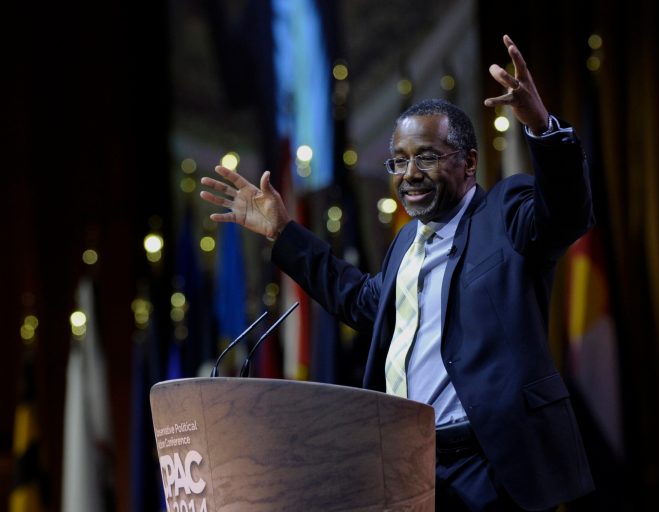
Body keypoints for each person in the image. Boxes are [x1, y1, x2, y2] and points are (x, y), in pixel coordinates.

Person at [200, 34, 595, 512]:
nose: (409, 174)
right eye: (399, 161)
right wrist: (283, 233)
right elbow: (361, 301)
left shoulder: (506, 213)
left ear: (469, 162)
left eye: (426, 157)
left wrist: (542, 127)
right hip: (410, 462)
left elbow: (566, 213)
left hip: (493, 463)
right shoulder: (407, 242)